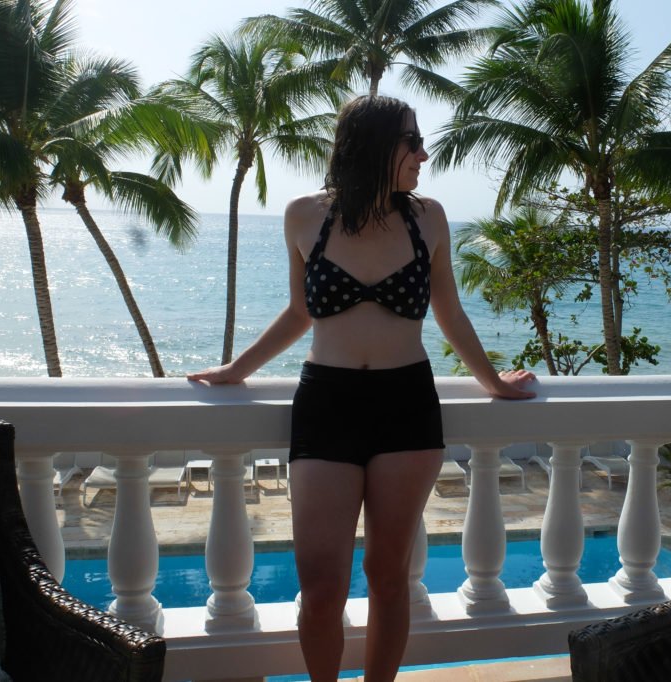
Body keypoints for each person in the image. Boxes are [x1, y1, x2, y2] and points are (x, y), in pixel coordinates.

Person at [188, 94, 536, 681]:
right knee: (321, 585)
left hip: (407, 406)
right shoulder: (304, 216)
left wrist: (493, 381)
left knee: (386, 574)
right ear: (374, 146)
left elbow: (449, 313)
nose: (424, 154)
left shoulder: (428, 217)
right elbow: (300, 314)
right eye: (412, 142)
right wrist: (236, 370)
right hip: (327, 405)